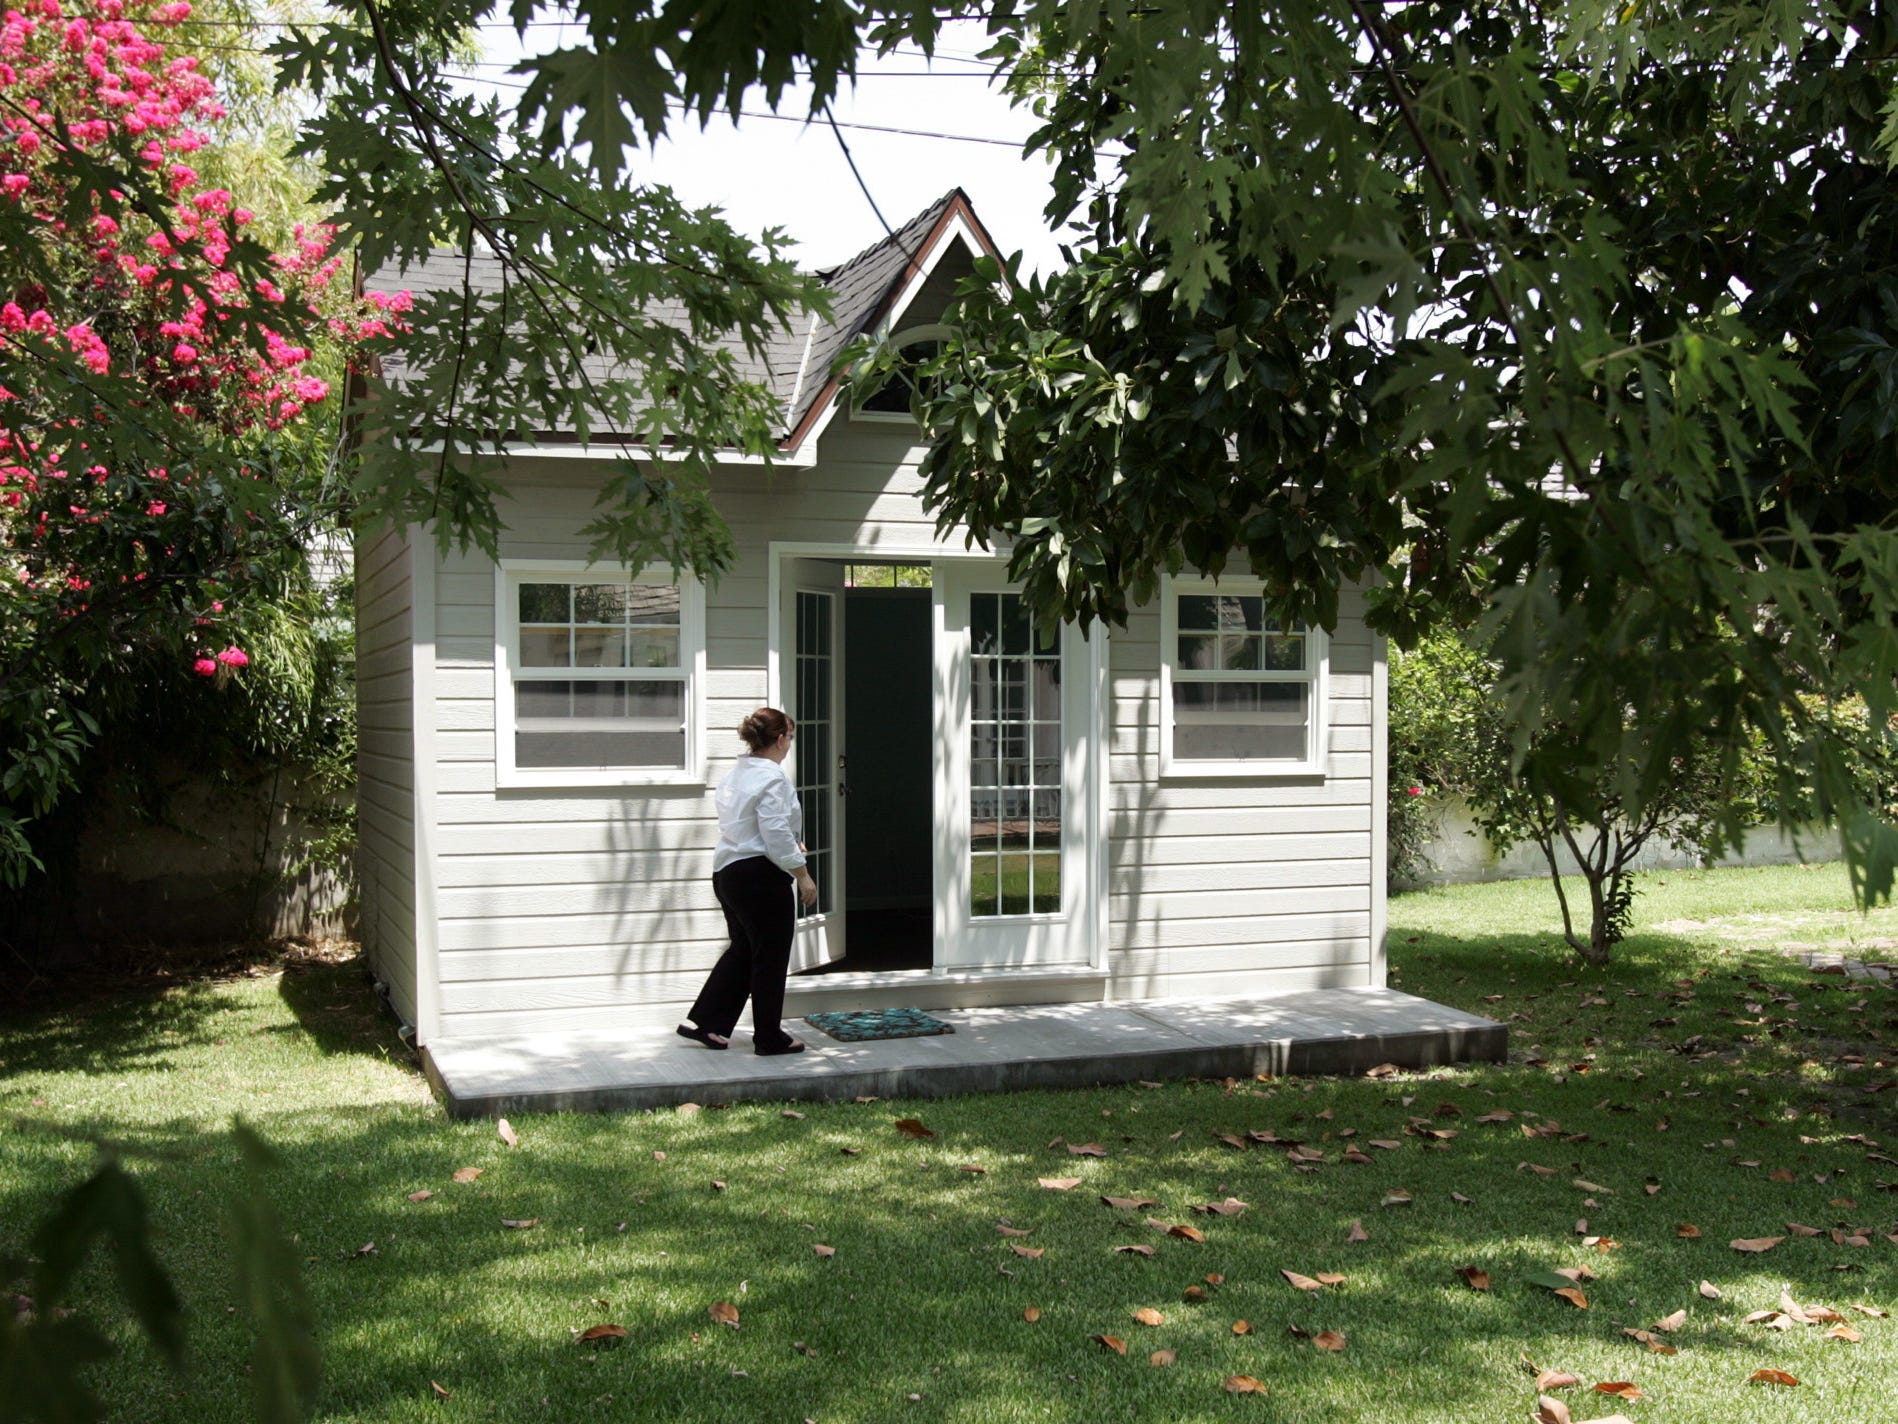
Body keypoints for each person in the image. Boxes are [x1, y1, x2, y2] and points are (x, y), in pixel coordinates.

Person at [678, 707, 819, 1056]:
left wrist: (787, 842)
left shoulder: (734, 776)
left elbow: (752, 828)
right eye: (790, 736)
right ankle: (768, 1037)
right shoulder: (772, 778)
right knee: (769, 957)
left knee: (744, 950)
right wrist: (802, 874)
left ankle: (707, 1023)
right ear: (780, 739)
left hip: (728, 874)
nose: (790, 744)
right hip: (760, 878)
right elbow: (772, 830)